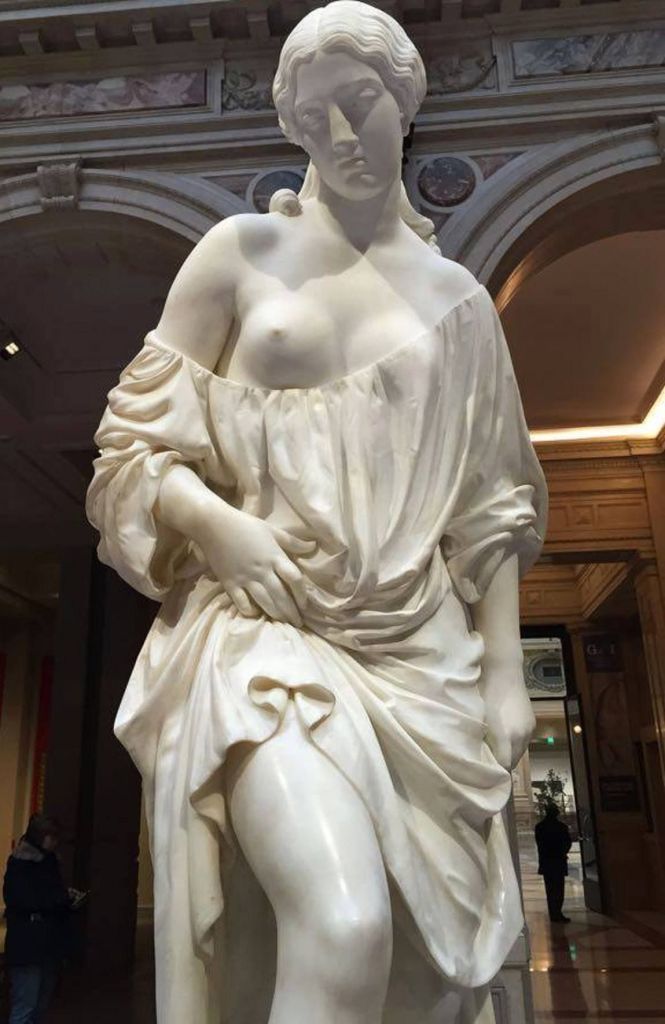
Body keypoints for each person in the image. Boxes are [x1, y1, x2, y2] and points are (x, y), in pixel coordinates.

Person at [86, 3, 547, 1022]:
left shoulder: (458, 301)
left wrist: (506, 673)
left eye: (361, 101)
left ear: (404, 102)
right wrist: (217, 526)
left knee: (414, 974)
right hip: (263, 635)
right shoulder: (240, 252)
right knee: (343, 925)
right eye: (315, 111)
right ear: (289, 123)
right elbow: (131, 448)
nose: (341, 132)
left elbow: (490, 506)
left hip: (420, 653)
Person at [2, 814, 70, 1024]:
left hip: (45, 941)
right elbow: (20, 899)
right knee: (26, 1004)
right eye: (51, 837)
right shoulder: (21, 864)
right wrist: (58, 900)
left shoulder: (48, 861)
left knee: (38, 1003)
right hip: (29, 942)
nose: (55, 842)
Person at [535, 803, 573, 923]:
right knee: (559, 889)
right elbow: (567, 843)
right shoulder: (561, 826)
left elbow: (539, 844)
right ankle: (557, 912)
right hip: (558, 860)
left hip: (546, 861)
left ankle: (553, 913)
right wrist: (562, 852)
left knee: (550, 889)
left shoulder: (539, 827)